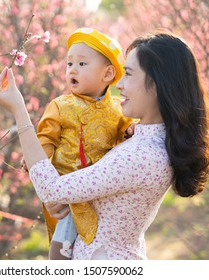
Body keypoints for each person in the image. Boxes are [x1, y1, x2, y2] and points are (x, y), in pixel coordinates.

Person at [0, 31, 209, 260]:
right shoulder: (143, 141)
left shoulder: (141, 156)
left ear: (158, 84)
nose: (118, 85)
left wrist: (18, 110)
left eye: (129, 75)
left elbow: (52, 188)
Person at [22, 28, 133, 259]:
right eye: (69, 64)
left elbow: (125, 133)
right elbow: (46, 139)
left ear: (108, 74)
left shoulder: (117, 109)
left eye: (82, 64)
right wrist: (36, 159)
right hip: (67, 185)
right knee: (64, 237)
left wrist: (130, 130)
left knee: (96, 240)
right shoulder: (61, 106)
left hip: (101, 187)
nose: (72, 69)